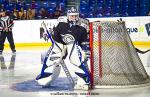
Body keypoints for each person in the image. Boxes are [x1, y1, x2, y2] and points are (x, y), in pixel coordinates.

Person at [36, 7, 90, 90]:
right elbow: (55, 35)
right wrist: (59, 48)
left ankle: (84, 80)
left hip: (73, 44)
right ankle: (45, 78)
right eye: (72, 16)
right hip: (60, 44)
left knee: (76, 59)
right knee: (50, 59)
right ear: (68, 16)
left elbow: (84, 41)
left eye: (76, 16)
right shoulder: (60, 22)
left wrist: (85, 50)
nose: (74, 18)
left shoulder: (83, 26)